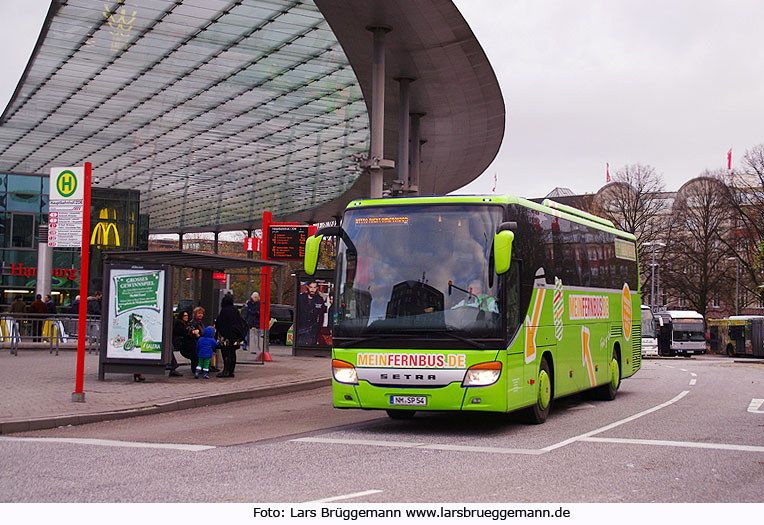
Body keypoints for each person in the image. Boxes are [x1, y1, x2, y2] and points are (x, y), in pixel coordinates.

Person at [214, 294, 247, 378]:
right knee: (232, 353)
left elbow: (219, 323)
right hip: (235, 336)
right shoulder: (235, 310)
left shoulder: (224, 311)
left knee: (226, 353)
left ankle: (226, 371)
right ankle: (231, 371)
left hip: (226, 337)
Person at [297, 281, 325, 346]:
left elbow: (321, 315)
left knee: (311, 344)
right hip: (302, 327)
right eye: (311, 287)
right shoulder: (301, 298)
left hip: (313, 328)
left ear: (317, 288)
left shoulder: (319, 299)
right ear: (307, 287)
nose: (312, 289)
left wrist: (318, 328)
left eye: (314, 287)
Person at [173, 310, 198, 376]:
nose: (186, 317)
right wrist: (192, 332)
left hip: (190, 342)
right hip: (184, 343)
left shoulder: (189, 324)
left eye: (187, 315)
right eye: (184, 316)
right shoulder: (179, 324)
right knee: (194, 352)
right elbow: (183, 332)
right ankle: (195, 369)